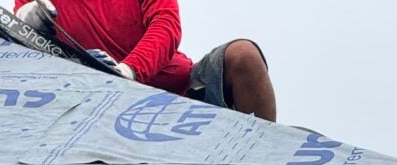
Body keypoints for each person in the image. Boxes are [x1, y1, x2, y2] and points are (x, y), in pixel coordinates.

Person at [15, 0, 276, 122]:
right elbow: (22, 40)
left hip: (185, 95)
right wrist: (23, 22)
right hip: (98, 112)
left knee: (244, 56)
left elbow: (166, 25)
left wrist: (130, 71)